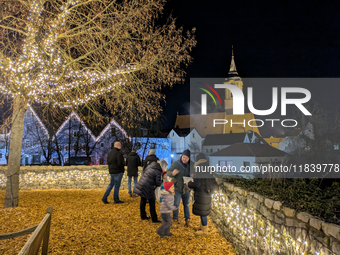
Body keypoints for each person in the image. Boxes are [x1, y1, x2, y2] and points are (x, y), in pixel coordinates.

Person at [187, 152, 218, 236]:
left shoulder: (199, 168)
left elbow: (197, 183)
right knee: (203, 210)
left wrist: (189, 183)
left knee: (203, 211)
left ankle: (205, 230)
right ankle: (202, 226)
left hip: (202, 193)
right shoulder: (208, 167)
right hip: (207, 192)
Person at [167, 149, 193, 228]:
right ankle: (175, 220)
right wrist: (172, 173)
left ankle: (187, 220)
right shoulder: (176, 163)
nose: (184, 159)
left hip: (186, 188)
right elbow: (167, 172)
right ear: (181, 156)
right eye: (183, 157)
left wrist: (193, 175)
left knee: (186, 205)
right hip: (177, 187)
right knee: (176, 204)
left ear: (189, 158)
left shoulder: (191, 165)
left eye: (186, 158)